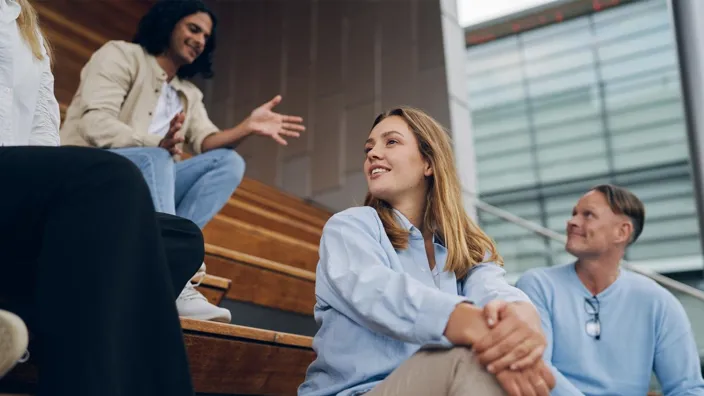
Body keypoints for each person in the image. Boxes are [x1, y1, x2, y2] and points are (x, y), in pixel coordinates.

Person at [59, 0, 306, 322]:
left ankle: (167, 262)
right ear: (169, 24)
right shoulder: (121, 54)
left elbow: (207, 142)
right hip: (92, 175)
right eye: (193, 28)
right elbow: (95, 124)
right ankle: (175, 275)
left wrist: (246, 127)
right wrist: (154, 145)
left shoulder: (188, 94)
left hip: (146, 183)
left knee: (228, 163)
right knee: (158, 158)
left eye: (206, 36)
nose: (200, 40)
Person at [0, 1, 200, 394]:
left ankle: (20, 320)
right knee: (111, 179)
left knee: (180, 239)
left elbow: (43, 132)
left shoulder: (28, 29)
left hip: (13, 194)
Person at [298, 107, 556, 396]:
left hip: (444, 385)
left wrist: (519, 314)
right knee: (478, 361)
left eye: (391, 142)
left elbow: (492, 288)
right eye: (368, 148)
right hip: (359, 392)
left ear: (428, 163)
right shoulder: (349, 227)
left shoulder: (462, 248)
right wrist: (464, 322)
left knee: (520, 362)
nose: (372, 153)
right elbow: (380, 292)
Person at [516, 185, 704, 396]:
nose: (572, 222)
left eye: (588, 215)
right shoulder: (537, 284)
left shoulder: (658, 302)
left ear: (621, 232)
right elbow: (536, 366)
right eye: (574, 213)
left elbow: (687, 388)